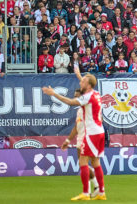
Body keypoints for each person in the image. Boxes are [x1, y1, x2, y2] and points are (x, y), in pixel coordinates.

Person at [42, 67, 107, 201]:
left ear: (88, 85)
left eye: (82, 81)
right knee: (95, 162)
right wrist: (79, 75)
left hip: (92, 133)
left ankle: (85, 192)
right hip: (100, 132)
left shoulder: (87, 97)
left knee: (83, 161)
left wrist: (54, 94)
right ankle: (101, 192)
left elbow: (71, 102)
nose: (80, 83)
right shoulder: (95, 93)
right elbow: (88, 85)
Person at [62, 87, 100, 198]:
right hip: (82, 138)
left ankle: (87, 192)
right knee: (85, 165)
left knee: (83, 164)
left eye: (76, 96)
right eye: (74, 96)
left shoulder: (89, 108)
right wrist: (68, 140)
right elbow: (76, 127)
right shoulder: (80, 110)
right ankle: (95, 188)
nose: (74, 98)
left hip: (87, 138)